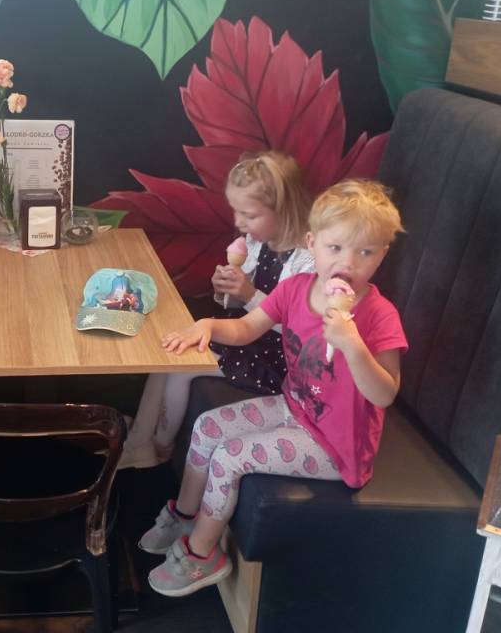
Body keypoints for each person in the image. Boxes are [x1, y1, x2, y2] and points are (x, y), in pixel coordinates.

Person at [140, 179, 407, 597]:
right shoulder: (296, 289)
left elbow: (385, 393)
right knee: (208, 426)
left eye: (365, 252)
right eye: (336, 248)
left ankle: (203, 554)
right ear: (312, 244)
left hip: (337, 446)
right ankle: (187, 516)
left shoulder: (379, 315)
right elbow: (247, 328)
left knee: (231, 456)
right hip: (293, 407)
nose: (349, 263)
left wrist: (354, 347)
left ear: (383, 254)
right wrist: (208, 325)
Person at [119, 151, 315, 470]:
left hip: (279, 358)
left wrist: (249, 294)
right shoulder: (258, 243)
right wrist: (227, 290)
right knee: (168, 349)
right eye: (236, 211)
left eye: (248, 215)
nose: (238, 223)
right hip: (246, 333)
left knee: (182, 365)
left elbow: (298, 330)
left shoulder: (308, 261)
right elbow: (240, 306)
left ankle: (161, 447)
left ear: (284, 209)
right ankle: (140, 440)